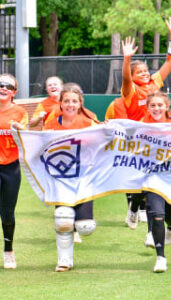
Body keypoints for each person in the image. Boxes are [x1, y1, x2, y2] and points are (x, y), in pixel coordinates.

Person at [112, 17, 171, 231]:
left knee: (152, 178)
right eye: (138, 71)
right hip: (135, 139)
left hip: (156, 139)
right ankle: (133, 208)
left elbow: (170, 61)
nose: (144, 73)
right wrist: (126, 59)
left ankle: (142, 213)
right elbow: (125, 79)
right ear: (132, 76)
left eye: (145, 70)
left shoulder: (154, 83)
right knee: (136, 180)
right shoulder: (130, 90)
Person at [43, 83, 99, 272]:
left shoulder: (89, 122)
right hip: (61, 179)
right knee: (63, 218)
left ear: (80, 103)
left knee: (86, 227)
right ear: (60, 103)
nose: (70, 104)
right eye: (66, 100)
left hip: (83, 179)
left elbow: (103, 143)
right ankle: (64, 261)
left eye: (74, 101)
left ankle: (79, 224)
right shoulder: (52, 123)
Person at [140, 91, 171, 272]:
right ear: (147, 107)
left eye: (160, 105)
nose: (156, 108)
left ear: (167, 106)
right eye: (152, 105)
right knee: (156, 213)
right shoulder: (142, 125)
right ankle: (160, 258)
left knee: (167, 212)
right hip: (152, 175)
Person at [0, 74, 28, 269]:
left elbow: (26, 136)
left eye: (8, 86)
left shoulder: (19, 112)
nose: (3, 87)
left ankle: (8, 250)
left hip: (11, 167)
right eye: (0, 84)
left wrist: (20, 130)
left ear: (14, 92)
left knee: (7, 213)